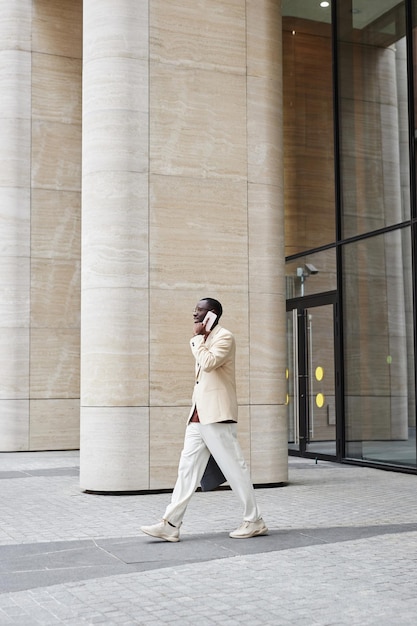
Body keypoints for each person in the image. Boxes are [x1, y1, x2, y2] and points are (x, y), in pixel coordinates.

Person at [140, 297, 268, 542]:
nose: (194, 314)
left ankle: (254, 520)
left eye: (199, 310)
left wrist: (198, 338)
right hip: (198, 417)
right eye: (194, 310)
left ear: (213, 314)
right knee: (186, 470)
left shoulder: (224, 337)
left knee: (234, 469)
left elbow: (209, 363)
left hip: (217, 415)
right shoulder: (206, 340)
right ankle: (170, 524)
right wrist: (200, 339)